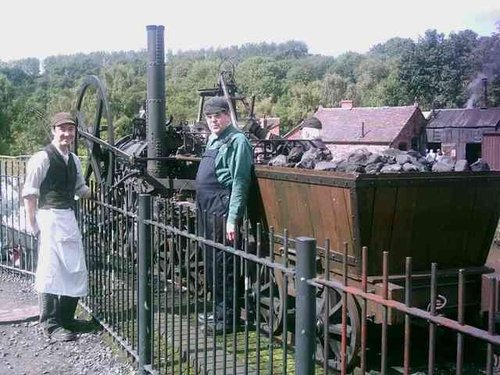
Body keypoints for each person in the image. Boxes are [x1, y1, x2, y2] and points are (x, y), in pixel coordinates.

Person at [21, 112, 92, 342]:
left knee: (76, 268)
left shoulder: (74, 160)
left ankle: (67, 318)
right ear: (54, 130)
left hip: (68, 217)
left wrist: (101, 194)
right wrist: (33, 224)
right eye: (62, 129)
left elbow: (81, 189)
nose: (67, 134)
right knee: (50, 270)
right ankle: (51, 324)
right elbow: (30, 193)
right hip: (49, 217)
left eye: (70, 130)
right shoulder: (42, 157)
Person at [196, 96, 253, 332]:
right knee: (211, 263)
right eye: (209, 117)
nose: (213, 120)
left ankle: (227, 319)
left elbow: (240, 181)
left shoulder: (238, 141)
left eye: (217, 115)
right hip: (206, 207)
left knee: (224, 264)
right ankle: (217, 311)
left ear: (227, 115)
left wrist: (232, 219)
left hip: (221, 207)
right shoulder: (214, 140)